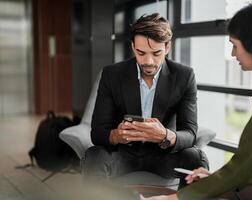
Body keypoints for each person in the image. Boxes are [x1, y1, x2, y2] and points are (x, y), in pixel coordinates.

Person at [141, 2, 252, 200]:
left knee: (203, 195)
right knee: (210, 190)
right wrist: (214, 178)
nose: (233, 54)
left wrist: (173, 199)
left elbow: (248, 161)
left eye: (235, 45)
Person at [81, 13, 209, 186]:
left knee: (197, 158)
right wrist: (116, 135)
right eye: (141, 53)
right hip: (122, 154)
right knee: (93, 156)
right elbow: (97, 133)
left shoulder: (184, 76)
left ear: (167, 47)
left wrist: (165, 135)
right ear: (133, 47)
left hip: (163, 156)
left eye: (156, 53)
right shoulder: (112, 75)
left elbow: (190, 133)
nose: (148, 61)